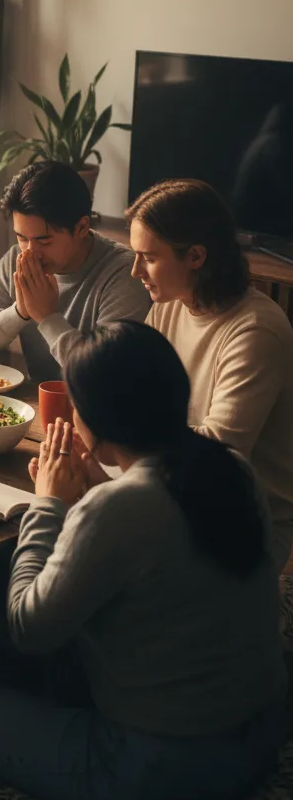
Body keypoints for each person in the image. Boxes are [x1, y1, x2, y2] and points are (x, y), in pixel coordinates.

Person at [0, 321, 285, 800]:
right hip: (259, 732)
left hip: (156, 765)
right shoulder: (230, 466)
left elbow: (29, 628)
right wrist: (93, 490)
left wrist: (48, 505)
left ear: (95, 420)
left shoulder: (120, 506)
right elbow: (162, 552)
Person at [127, 178, 293, 572]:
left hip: (246, 519)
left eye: (148, 257)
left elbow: (220, 452)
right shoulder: (170, 305)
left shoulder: (255, 329)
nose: (136, 271)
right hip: (175, 487)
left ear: (196, 257)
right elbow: (137, 396)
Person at [0, 162, 150, 382]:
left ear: (82, 227)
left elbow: (103, 378)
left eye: (43, 240)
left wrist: (47, 317)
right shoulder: (16, 261)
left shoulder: (124, 273)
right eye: (22, 237)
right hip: (35, 405)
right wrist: (19, 312)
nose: (31, 252)